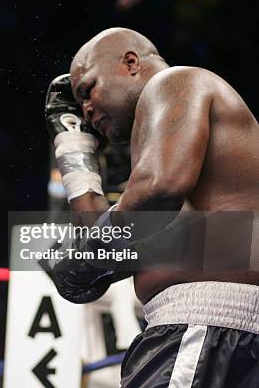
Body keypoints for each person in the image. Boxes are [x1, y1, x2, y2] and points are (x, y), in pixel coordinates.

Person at [45, 27, 259, 387]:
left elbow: (161, 187)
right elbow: (103, 249)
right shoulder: (169, 157)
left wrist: (89, 252)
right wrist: (74, 146)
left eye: (89, 89)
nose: (86, 107)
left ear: (131, 63)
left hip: (204, 326)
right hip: (221, 332)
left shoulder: (176, 81)